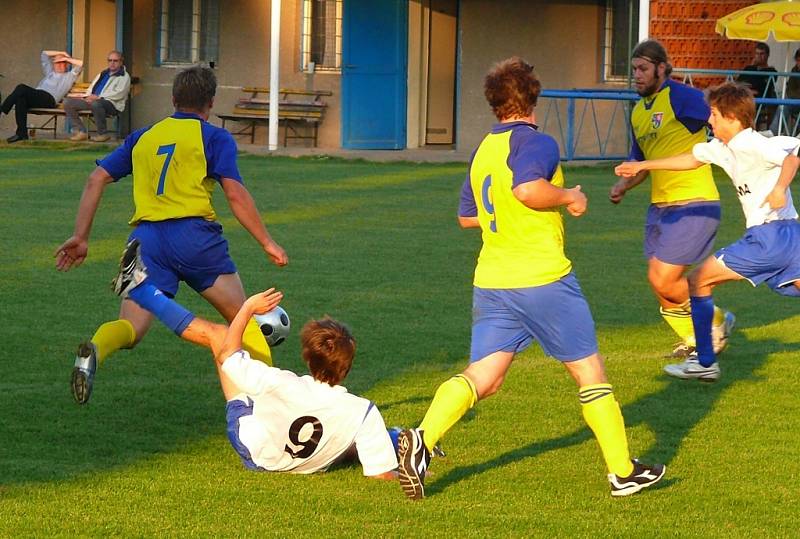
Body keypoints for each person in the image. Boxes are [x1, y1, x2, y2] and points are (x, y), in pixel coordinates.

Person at [396, 57, 665, 500]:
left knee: (485, 375)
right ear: (533, 97)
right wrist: (569, 196)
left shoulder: (485, 149)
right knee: (589, 372)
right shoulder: (536, 142)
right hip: (542, 278)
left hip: (493, 279)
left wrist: (508, 217)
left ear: (495, 103)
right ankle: (622, 471)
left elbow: (468, 217)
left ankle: (421, 439)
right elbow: (527, 190)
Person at [55, 66, 288, 405]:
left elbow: (96, 179)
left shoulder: (143, 136)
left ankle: (96, 348)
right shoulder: (214, 137)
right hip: (195, 237)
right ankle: (273, 405)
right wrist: (267, 242)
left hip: (145, 242)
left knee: (131, 329)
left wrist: (81, 236)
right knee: (243, 318)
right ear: (210, 102)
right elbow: (235, 195)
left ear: (173, 99)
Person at [111, 239, 397, 477]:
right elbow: (382, 474)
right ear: (346, 368)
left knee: (218, 335)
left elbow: (228, 355)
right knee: (357, 437)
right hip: (310, 461)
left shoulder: (275, 381)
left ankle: (141, 289)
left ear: (307, 358)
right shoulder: (361, 411)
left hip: (256, 453)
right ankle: (400, 439)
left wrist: (246, 309)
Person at [615, 82, 800, 382]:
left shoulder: (752, 142)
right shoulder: (721, 147)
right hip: (791, 235)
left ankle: (704, 362)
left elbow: (791, 159)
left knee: (698, 280)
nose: (709, 120)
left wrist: (779, 189)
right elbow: (691, 159)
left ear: (731, 118)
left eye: (713, 114)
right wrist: (642, 166)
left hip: (768, 237)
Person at [609, 39, 734, 361]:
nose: (636, 75)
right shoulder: (638, 111)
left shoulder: (680, 97)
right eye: (634, 69)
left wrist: (734, 146)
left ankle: (715, 325)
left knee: (664, 278)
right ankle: (697, 335)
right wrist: (624, 185)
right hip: (660, 208)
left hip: (695, 202)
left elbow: (717, 116)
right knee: (659, 283)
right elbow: (641, 161)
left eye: (643, 69)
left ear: (662, 68)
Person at [0, 50, 82, 143]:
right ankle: (21, 134)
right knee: (20, 99)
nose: (59, 64)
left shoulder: (69, 76)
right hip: (38, 96)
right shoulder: (50, 72)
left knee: (21, 87)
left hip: (49, 99)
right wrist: (62, 52)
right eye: (57, 62)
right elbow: (44, 53)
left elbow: (81, 63)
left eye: (62, 62)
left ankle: (2, 110)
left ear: (67, 64)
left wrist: (66, 58)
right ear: (53, 64)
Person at [63, 50, 131, 142]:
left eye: (115, 61)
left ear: (121, 62)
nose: (112, 63)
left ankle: (102, 134)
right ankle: (81, 131)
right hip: (94, 100)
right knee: (68, 103)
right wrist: (87, 97)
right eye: (110, 60)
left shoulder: (124, 76)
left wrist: (99, 97)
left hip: (112, 104)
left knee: (96, 104)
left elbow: (119, 93)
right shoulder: (103, 74)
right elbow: (92, 87)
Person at [737, 42, 777, 131]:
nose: (759, 56)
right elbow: (738, 83)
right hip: (745, 95)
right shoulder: (749, 68)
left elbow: (765, 87)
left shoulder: (771, 71)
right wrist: (752, 66)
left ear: (767, 55)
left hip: (760, 99)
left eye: (761, 54)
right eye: (757, 54)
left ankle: (749, 130)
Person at [769, 47, 800, 136]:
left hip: (796, 99)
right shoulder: (795, 70)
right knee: (784, 103)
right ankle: (774, 131)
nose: (799, 63)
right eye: (798, 61)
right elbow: (790, 90)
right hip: (795, 101)